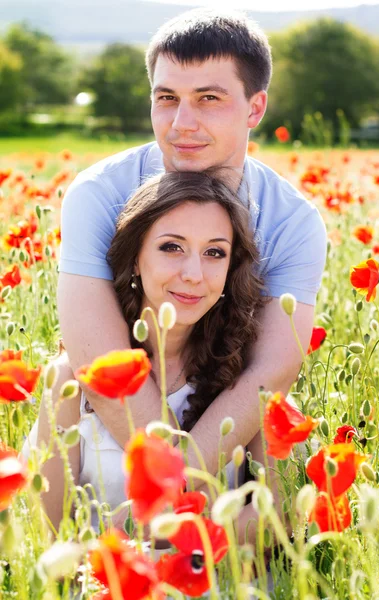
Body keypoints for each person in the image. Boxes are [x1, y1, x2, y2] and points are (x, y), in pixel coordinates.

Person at [56, 9, 327, 491]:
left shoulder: (293, 220)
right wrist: (169, 480)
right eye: (167, 98)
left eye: (208, 98)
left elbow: (272, 368)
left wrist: (182, 494)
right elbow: (93, 348)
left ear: (255, 108)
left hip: (223, 431)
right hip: (117, 422)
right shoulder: (98, 192)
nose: (182, 123)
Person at [27, 170, 270, 533]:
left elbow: (274, 519)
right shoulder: (71, 381)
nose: (193, 273)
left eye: (214, 252)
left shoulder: (246, 376)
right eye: (172, 247)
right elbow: (47, 533)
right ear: (136, 257)